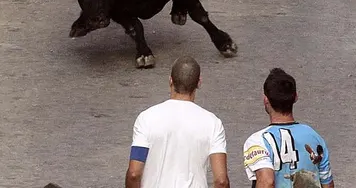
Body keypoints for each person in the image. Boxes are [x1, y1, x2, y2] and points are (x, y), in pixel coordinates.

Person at [125, 56, 230, 188]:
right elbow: (221, 181)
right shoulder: (213, 123)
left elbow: (134, 173)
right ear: (199, 83)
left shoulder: (146, 118)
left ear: (170, 80)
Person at [243, 68, 334, 188]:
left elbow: (267, 182)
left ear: (266, 100)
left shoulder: (258, 141)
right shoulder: (314, 137)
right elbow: (328, 184)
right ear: (295, 97)